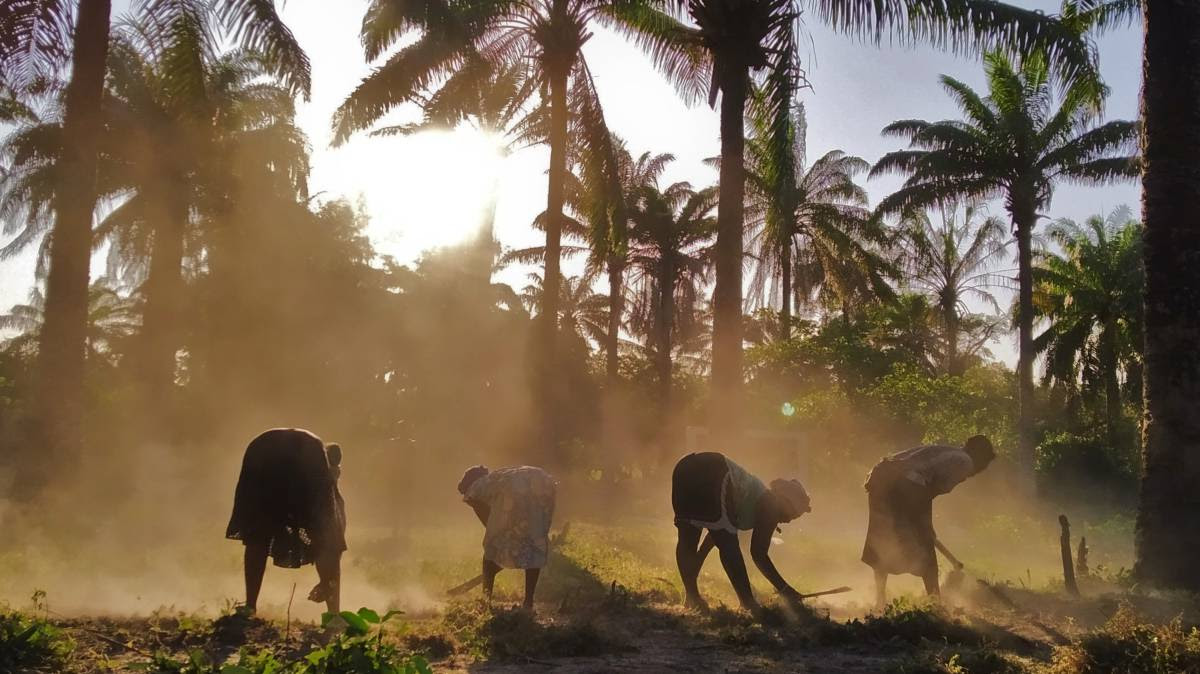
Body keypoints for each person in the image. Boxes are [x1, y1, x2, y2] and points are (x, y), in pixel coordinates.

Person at [861, 435, 996, 609]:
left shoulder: (947, 451)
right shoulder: (965, 462)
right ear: (981, 458)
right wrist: (925, 525)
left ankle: (880, 600)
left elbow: (923, 488)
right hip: (903, 486)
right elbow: (927, 492)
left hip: (880, 479)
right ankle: (935, 603)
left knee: (882, 539)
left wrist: (925, 522)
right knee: (925, 547)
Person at [671, 452, 812, 614]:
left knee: (688, 536)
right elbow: (758, 554)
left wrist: (696, 563)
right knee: (729, 546)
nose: (787, 522)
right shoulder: (771, 506)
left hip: (684, 468)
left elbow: (715, 534)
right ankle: (748, 603)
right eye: (792, 516)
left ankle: (692, 597)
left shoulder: (754, 496)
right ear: (786, 503)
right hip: (714, 471)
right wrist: (785, 590)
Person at [225, 428, 347, 615]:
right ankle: (334, 614)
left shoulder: (306, 453)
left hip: (260, 448)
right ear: (328, 467)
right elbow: (332, 541)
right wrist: (326, 582)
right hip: (285, 451)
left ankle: (250, 606)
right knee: (325, 535)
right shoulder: (319, 468)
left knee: (258, 534)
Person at [458, 465, 557, 610]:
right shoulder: (500, 477)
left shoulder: (475, 489)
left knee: (491, 551)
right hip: (544, 483)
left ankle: (486, 601)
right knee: (534, 544)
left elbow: (490, 525)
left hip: (524, 488)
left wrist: (500, 550)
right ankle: (528, 603)